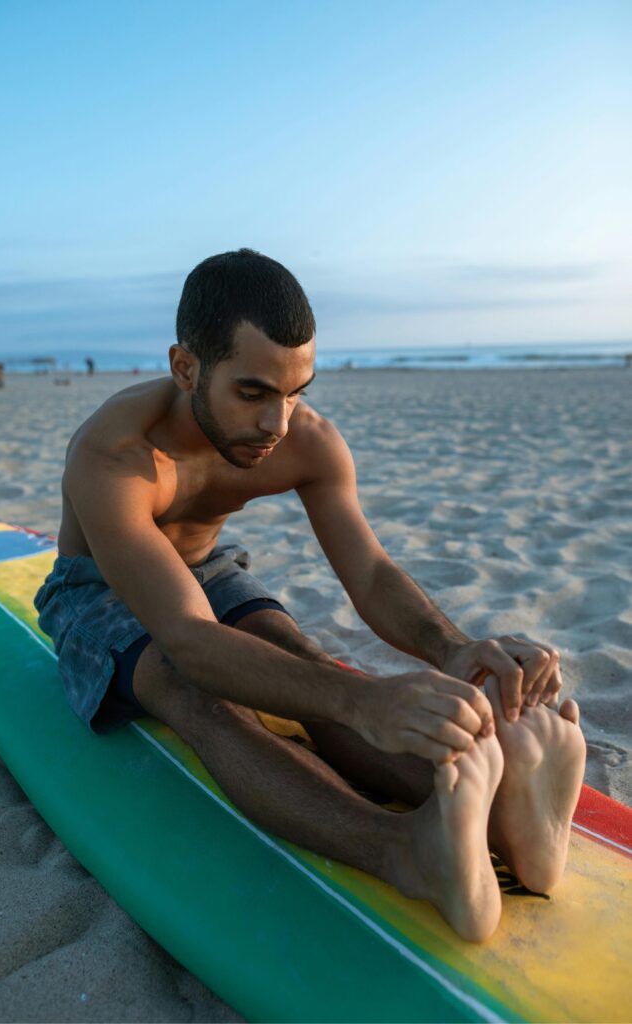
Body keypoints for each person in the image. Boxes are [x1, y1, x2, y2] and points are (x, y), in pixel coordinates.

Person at [34, 249, 586, 942]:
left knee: (306, 660)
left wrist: (452, 648)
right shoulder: (115, 454)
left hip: (208, 567)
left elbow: (372, 574)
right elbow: (190, 639)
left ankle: (508, 814)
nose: (278, 423)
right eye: (254, 392)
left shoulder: (307, 439)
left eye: (296, 392)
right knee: (199, 691)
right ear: (184, 368)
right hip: (98, 589)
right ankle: (404, 852)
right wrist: (365, 700)